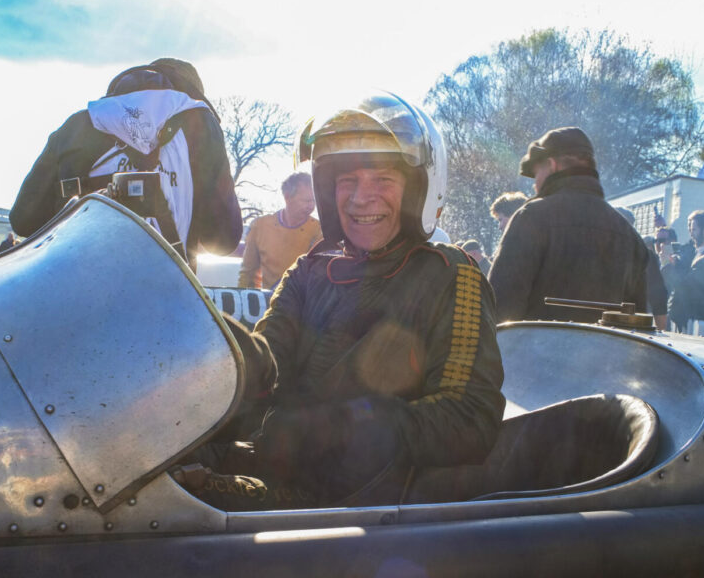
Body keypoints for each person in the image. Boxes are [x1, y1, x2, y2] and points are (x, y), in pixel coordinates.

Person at [187, 93, 505, 510]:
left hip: (370, 504)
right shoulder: (310, 270)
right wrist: (212, 355)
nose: (360, 197)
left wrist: (344, 426)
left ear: (418, 190)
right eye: (347, 181)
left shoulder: (450, 274)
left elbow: (468, 415)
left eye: (383, 180)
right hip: (281, 467)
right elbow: (265, 365)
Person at [9, 58, 242, 269]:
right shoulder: (202, 129)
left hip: (76, 288)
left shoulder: (79, 124)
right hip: (166, 294)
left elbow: (24, 221)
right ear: (192, 95)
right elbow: (224, 241)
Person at [488, 126, 648, 323]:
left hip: (535, 344)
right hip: (604, 345)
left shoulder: (531, 218)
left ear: (552, 165)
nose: (535, 184)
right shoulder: (630, 237)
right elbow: (637, 324)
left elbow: (497, 308)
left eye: (537, 174)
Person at [237, 172, 321, 289]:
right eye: (306, 201)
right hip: (270, 297)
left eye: (314, 200)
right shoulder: (259, 226)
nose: (311, 206)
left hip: (304, 298)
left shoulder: (319, 230)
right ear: (287, 197)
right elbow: (248, 274)